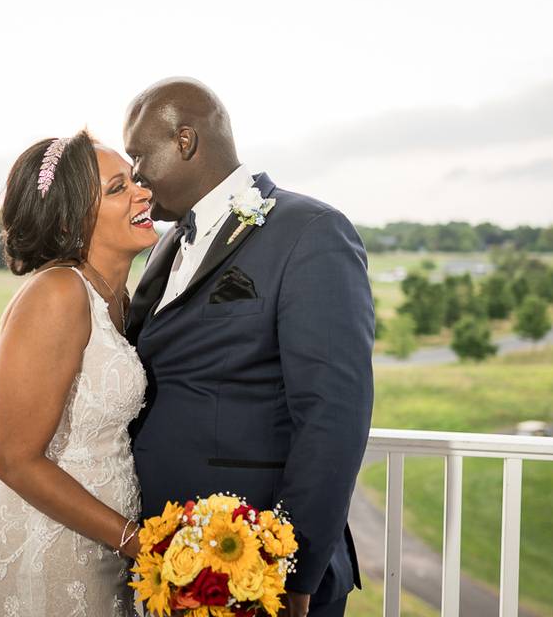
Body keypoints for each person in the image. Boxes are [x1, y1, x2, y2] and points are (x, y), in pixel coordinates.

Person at [125, 78, 375, 617]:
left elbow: (333, 415)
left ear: (186, 140)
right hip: (170, 562)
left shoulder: (311, 232)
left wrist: (290, 568)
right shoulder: (167, 243)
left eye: (140, 155)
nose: (137, 176)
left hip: (257, 566)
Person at [0, 130, 157, 616]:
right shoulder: (58, 294)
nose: (143, 192)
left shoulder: (122, 299)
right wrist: (140, 543)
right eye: (117, 189)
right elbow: (14, 459)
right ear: (69, 220)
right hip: (40, 556)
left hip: (103, 552)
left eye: (134, 180)